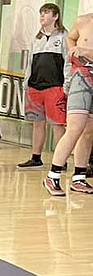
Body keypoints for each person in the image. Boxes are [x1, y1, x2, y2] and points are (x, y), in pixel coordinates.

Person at [43, 11, 93, 195]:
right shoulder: (83, 20)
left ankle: (79, 177)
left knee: (88, 132)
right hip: (82, 77)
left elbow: (83, 49)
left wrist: (85, 51)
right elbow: (71, 38)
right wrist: (73, 48)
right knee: (75, 128)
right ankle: (53, 175)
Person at [18, 4, 70, 169]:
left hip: (55, 87)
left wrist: (67, 84)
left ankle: (60, 160)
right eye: (41, 12)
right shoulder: (37, 37)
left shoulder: (63, 36)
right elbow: (30, 62)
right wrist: (26, 82)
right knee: (37, 123)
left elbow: (68, 62)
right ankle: (36, 157)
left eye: (46, 13)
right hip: (35, 87)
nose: (42, 16)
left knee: (57, 124)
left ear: (55, 16)